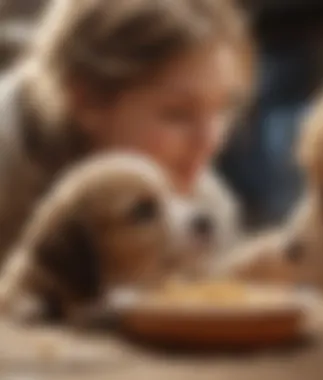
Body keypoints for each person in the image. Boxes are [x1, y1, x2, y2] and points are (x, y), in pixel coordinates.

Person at [0, 0, 254, 265]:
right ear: (86, 100)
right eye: (178, 114)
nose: (210, 140)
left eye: (225, 109)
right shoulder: (9, 163)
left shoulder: (205, 206)